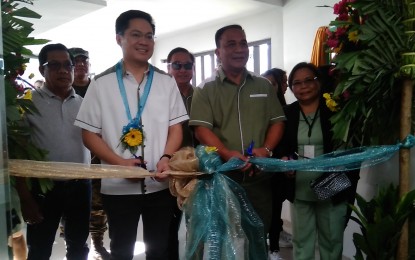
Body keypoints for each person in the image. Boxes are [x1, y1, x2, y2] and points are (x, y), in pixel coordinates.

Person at [74, 10, 188, 260]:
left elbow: (176, 128)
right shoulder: (101, 84)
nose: (144, 41)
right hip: (117, 186)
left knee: (159, 249)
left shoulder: (165, 82)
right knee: (122, 250)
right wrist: (121, 164)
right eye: (136, 34)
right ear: (119, 38)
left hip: (159, 183)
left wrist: (167, 156)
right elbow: (89, 134)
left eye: (149, 36)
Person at [189, 24, 286, 256]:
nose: (239, 49)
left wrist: (266, 149)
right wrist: (225, 152)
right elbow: (201, 130)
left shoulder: (263, 85)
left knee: (258, 237)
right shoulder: (205, 89)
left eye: (243, 43)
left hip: (259, 179)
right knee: (222, 242)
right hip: (223, 181)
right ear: (218, 52)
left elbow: (277, 121)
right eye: (230, 44)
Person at [15, 43, 91, 260]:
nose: (63, 70)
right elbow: (18, 153)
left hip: (80, 187)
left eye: (68, 65)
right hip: (44, 189)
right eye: (54, 65)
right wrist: (25, 197)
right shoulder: (28, 104)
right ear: (42, 70)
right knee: (40, 249)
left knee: (78, 247)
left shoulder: (85, 104)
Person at [276, 62, 359, 260]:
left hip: (331, 186)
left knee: (331, 243)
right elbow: (281, 147)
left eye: (308, 80)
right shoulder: (288, 114)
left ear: (318, 82)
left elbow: (348, 148)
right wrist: (284, 161)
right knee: (302, 243)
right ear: (291, 87)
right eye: (296, 83)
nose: (303, 86)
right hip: (301, 187)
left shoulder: (335, 109)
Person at [68, 47, 110, 260]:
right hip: (72, 157)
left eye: (85, 61)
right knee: (72, 206)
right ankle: (73, 246)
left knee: (98, 204)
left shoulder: (98, 90)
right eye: (76, 61)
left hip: (98, 157)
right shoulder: (65, 91)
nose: (81, 64)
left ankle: (97, 243)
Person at [166, 47, 198, 260]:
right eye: (177, 65)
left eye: (187, 65)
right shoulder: (161, 97)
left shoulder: (202, 97)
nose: (182, 70)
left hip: (198, 169)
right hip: (170, 169)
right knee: (169, 225)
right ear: (169, 67)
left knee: (196, 224)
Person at [262, 68, 292, 260]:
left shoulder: (287, 111)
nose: (267, 88)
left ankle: (273, 246)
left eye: (271, 84)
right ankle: (268, 246)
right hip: (261, 168)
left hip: (280, 168)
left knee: (275, 208)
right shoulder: (257, 110)